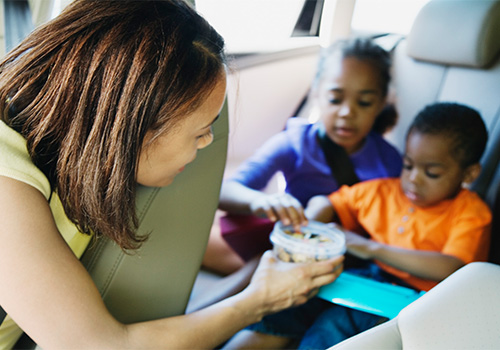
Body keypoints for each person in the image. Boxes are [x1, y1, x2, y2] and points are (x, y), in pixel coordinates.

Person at [0, 1, 344, 349]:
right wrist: (258, 302)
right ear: (134, 128)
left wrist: (253, 233)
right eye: (199, 133)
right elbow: (103, 345)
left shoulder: (62, 158)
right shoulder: (6, 191)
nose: (209, 141)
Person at [223, 102, 491, 349]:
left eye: (431, 173)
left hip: (420, 299)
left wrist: (370, 247)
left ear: (469, 174)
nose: (413, 180)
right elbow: (330, 202)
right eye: (408, 165)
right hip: (368, 279)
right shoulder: (385, 191)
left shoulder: (470, 212)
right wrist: (310, 221)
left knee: (335, 324)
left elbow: (451, 267)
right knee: (290, 303)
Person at [204, 37, 403, 275]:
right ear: (317, 92)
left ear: (381, 103)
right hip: (289, 244)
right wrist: (263, 202)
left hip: (349, 256)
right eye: (335, 99)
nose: (348, 112)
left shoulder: (389, 161)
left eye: (364, 102)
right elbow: (225, 191)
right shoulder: (295, 143)